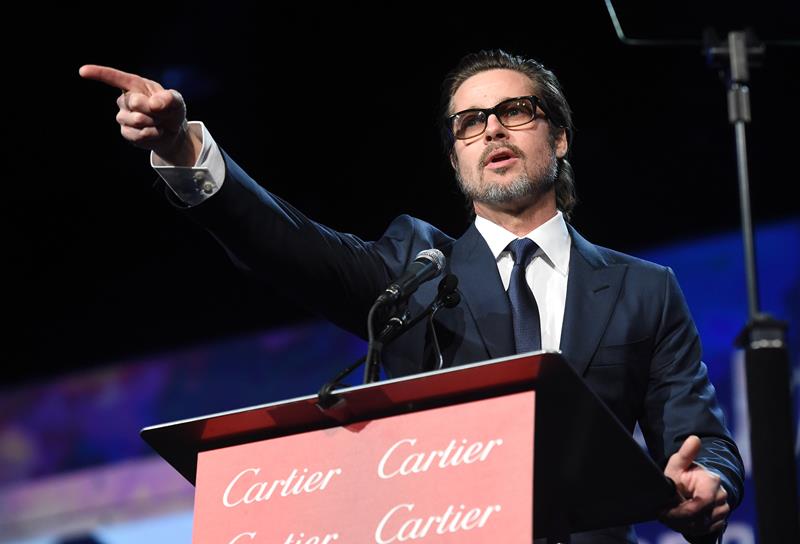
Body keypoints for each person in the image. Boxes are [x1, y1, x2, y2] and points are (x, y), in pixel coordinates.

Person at [79, 49, 744, 543]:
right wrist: (183, 148)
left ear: (560, 136)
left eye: (515, 111)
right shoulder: (415, 271)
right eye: (470, 123)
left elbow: (700, 436)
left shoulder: (642, 288)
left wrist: (709, 481)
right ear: (456, 160)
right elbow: (288, 244)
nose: (492, 130)